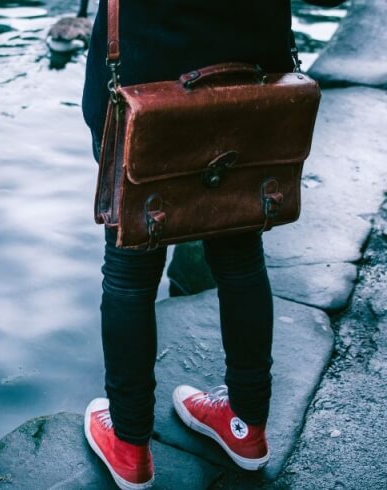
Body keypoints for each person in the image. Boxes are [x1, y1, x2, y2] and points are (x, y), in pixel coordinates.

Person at [79, 1, 346, 488]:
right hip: (250, 76)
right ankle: (246, 424)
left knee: (130, 272)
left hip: (146, 77)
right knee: (240, 256)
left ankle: (130, 441)